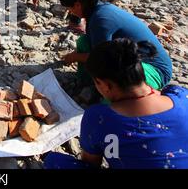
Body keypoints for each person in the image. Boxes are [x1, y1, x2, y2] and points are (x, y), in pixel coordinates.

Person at [44, 38, 188, 169]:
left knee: (54, 161)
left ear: (105, 85)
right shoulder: (181, 96)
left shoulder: (99, 117)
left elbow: (91, 163)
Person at [59, 0, 172, 93]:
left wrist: (75, 57)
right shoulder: (98, 9)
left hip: (154, 71)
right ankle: (90, 85)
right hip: (133, 59)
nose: (71, 13)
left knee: (113, 85)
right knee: (84, 42)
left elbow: (101, 59)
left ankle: (112, 99)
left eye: (70, 9)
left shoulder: (100, 19)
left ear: (78, 4)